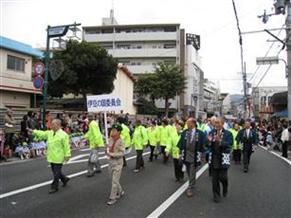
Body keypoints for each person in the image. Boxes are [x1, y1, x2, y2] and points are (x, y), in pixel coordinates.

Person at [29, 119, 71, 193]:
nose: (51, 125)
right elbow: (42, 133)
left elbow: (66, 146)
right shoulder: (50, 133)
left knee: (56, 174)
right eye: (51, 124)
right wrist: (33, 131)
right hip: (51, 156)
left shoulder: (64, 135)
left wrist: (67, 155)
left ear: (58, 125)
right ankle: (64, 179)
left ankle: (54, 187)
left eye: (53, 124)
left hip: (59, 157)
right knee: (56, 172)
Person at [177, 118, 206, 197]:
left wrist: (203, 156)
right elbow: (181, 144)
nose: (187, 124)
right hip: (186, 153)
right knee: (189, 170)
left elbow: (203, 145)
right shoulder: (185, 132)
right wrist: (180, 154)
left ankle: (190, 187)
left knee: (193, 170)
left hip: (195, 154)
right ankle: (192, 181)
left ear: (193, 124)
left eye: (188, 123)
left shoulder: (200, 133)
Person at [208, 118, 232, 203]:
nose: (217, 124)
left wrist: (220, 141)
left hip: (223, 157)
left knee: (223, 177)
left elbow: (230, 144)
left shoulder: (228, 133)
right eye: (215, 123)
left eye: (218, 123)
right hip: (214, 157)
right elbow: (208, 145)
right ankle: (216, 195)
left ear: (222, 123)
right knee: (214, 179)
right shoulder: (211, 132)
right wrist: (209, 142)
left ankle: (225, 186)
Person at [106, 124, 125, 205]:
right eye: (112, 130)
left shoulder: (121, 141)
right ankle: (120, 191)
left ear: (119, 132)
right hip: (110, 162)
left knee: (114, 182)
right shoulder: (110, 138)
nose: (112, 131)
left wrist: (112, 154)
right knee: (114, 180)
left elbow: (122, 153)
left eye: (114, 130)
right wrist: (107, 147)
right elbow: (108, 147)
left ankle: (112, 198)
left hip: (118, 163)